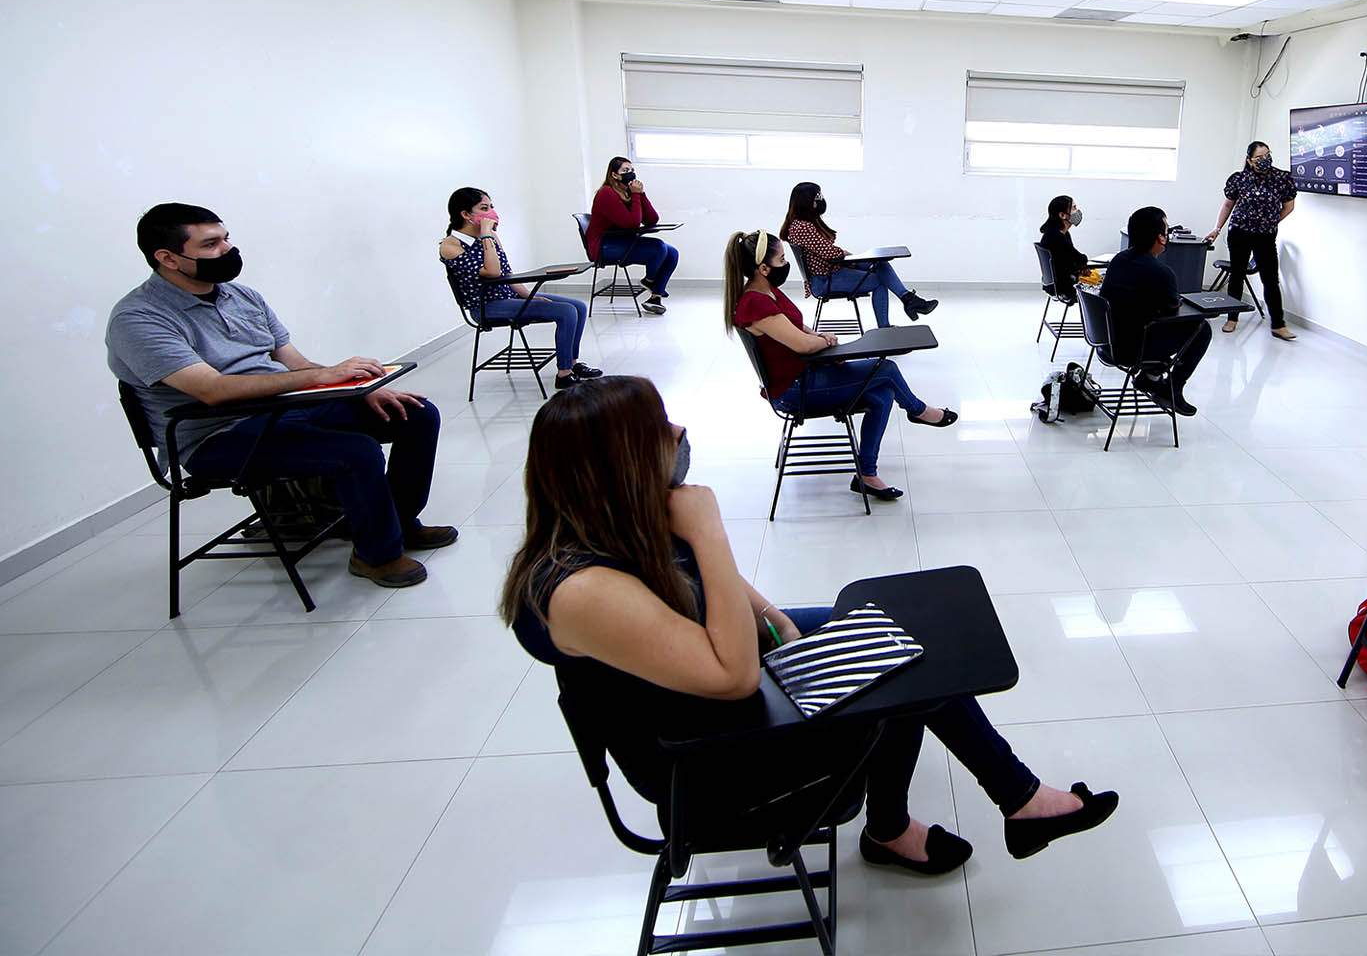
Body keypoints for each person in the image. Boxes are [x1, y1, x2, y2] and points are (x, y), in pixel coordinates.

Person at [500, 375, 1118, 875]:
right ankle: (924, 821)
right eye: (657, 429)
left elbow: (693, 582)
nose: (680, 431)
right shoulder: (581, 591)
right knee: (904, 678)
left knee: (902, 630)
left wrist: (772, 617)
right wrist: (707, 526)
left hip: (698, 690)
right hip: (700, 758)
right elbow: (735, 677)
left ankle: (999, 803)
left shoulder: (610, 517)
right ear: (618, 466)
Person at [106, 202, 458, 588]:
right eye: (210, 245)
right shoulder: (139, 318)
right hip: (216, 434)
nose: (226, 250)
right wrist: (324, 377)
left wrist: (355, 390)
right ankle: (377, 555)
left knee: (416, 413)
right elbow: (213, 390)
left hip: (286, 410)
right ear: (168, 258)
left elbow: (294, 363)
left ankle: (401, 523)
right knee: (355, 452)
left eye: (226, 239)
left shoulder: (242, 297)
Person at [726, 230, 956, 500]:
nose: (786, 264)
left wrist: (819, 337)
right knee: (886, 369)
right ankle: (918, 411)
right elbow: (801, 345)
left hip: (805, 373)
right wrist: (822, 342)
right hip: (793, 390)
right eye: (781, 260)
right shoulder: (755, 304)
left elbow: (798, 328)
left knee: (882, 395)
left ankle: (866, 476)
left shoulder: (767, 292)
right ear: (763, 268)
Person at [440, 187, 600, 391]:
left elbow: (507, 274)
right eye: (484, 208)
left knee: (577, 305)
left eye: (492, 207)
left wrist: (529, 296)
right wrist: (487, 235)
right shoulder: (451, 245)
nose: (491, 213)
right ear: (465, 214)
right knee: (566, 312)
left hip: (508, 297)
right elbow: (493, 273)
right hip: (486, 306)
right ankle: (564, 374)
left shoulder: (490, 238)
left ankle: (573, 363)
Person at [1098, 207, 1212, 417]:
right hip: (1131, 350)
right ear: (1161, 238)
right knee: (1201, 328)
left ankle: (1149, 378)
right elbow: (1172, 310)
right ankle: (1172, 389)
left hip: (1105, 343)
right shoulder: (1162, 273)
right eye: (1166, 230)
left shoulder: (1118, 261)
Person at [780, 181, 937, 328]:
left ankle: (908, 300)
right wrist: (845, 254)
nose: (820, 200)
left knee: (880, 263)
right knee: (880, 280)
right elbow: (829, 253)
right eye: (817, 197)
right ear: (805, 201)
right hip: (824, 279)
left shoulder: (804, 224)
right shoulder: (801, 227)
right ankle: (892, 320)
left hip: (831, 270)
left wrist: (845, 256)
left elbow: (825, 250)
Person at [1206, 140, 1298, 340]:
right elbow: (1228, 205)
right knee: (1237, 275)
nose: (1265, 160)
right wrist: (1216, 229)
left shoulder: (1282, 178)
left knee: (1271, 279)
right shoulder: (1240, 179)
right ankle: (1232, 319)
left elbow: (1289, 206)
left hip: (1265, 236)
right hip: (1240, 233)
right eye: (1259, 157)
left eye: (1267, 155)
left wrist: (1271, 221)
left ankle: (1278, 324)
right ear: (1249, 160)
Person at [583, 157, 677, 315]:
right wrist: (635, 195)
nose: (631, 174)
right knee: (658, 247)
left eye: (632, 170)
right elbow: (632, 223)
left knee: (672, 253)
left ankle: (655, 297)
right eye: (625, 171)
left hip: (622, 240)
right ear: (614, 175)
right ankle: (652, 282)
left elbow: (652, 219)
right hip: (603, 246)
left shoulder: (627, 192)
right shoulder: (606, 193)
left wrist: (641, 194)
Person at [1038, 194, 1095, 302]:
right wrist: (1082, 265)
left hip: (1055, 283)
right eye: (1074, 208)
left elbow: (1071, 259)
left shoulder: (1055, 233)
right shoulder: (1057, 236)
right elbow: (1079, 258)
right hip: (1064, 287)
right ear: (1063, 215)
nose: (1077, 211)